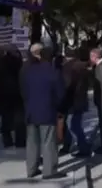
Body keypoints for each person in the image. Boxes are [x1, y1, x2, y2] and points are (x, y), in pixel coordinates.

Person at [20, 43, 67, 179]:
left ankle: (31, 169)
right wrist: (57, 106)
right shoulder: (53, 72)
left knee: (32, 143)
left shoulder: (29, 71)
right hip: (47, 111)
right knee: (48, 142)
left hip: (30, 111)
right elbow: (60, 94)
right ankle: (49, 171)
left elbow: (24, 91)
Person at [58, 47, 91, 157]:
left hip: (70, 100)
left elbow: (66, 86)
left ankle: (83, 147)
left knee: (71, 125)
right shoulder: (83, 66)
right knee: (75, 123)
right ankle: (69, 145)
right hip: (81, 99)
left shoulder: (67, 68)